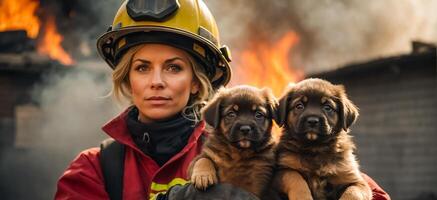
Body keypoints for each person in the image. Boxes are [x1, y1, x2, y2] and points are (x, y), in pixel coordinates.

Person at [54, 0, 390, 200]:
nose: (156, 82)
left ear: (198, 82)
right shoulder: (96, 169)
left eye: (174, 67)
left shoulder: (261, 149)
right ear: (127, 77)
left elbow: (370, 194)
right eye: (142, 67)